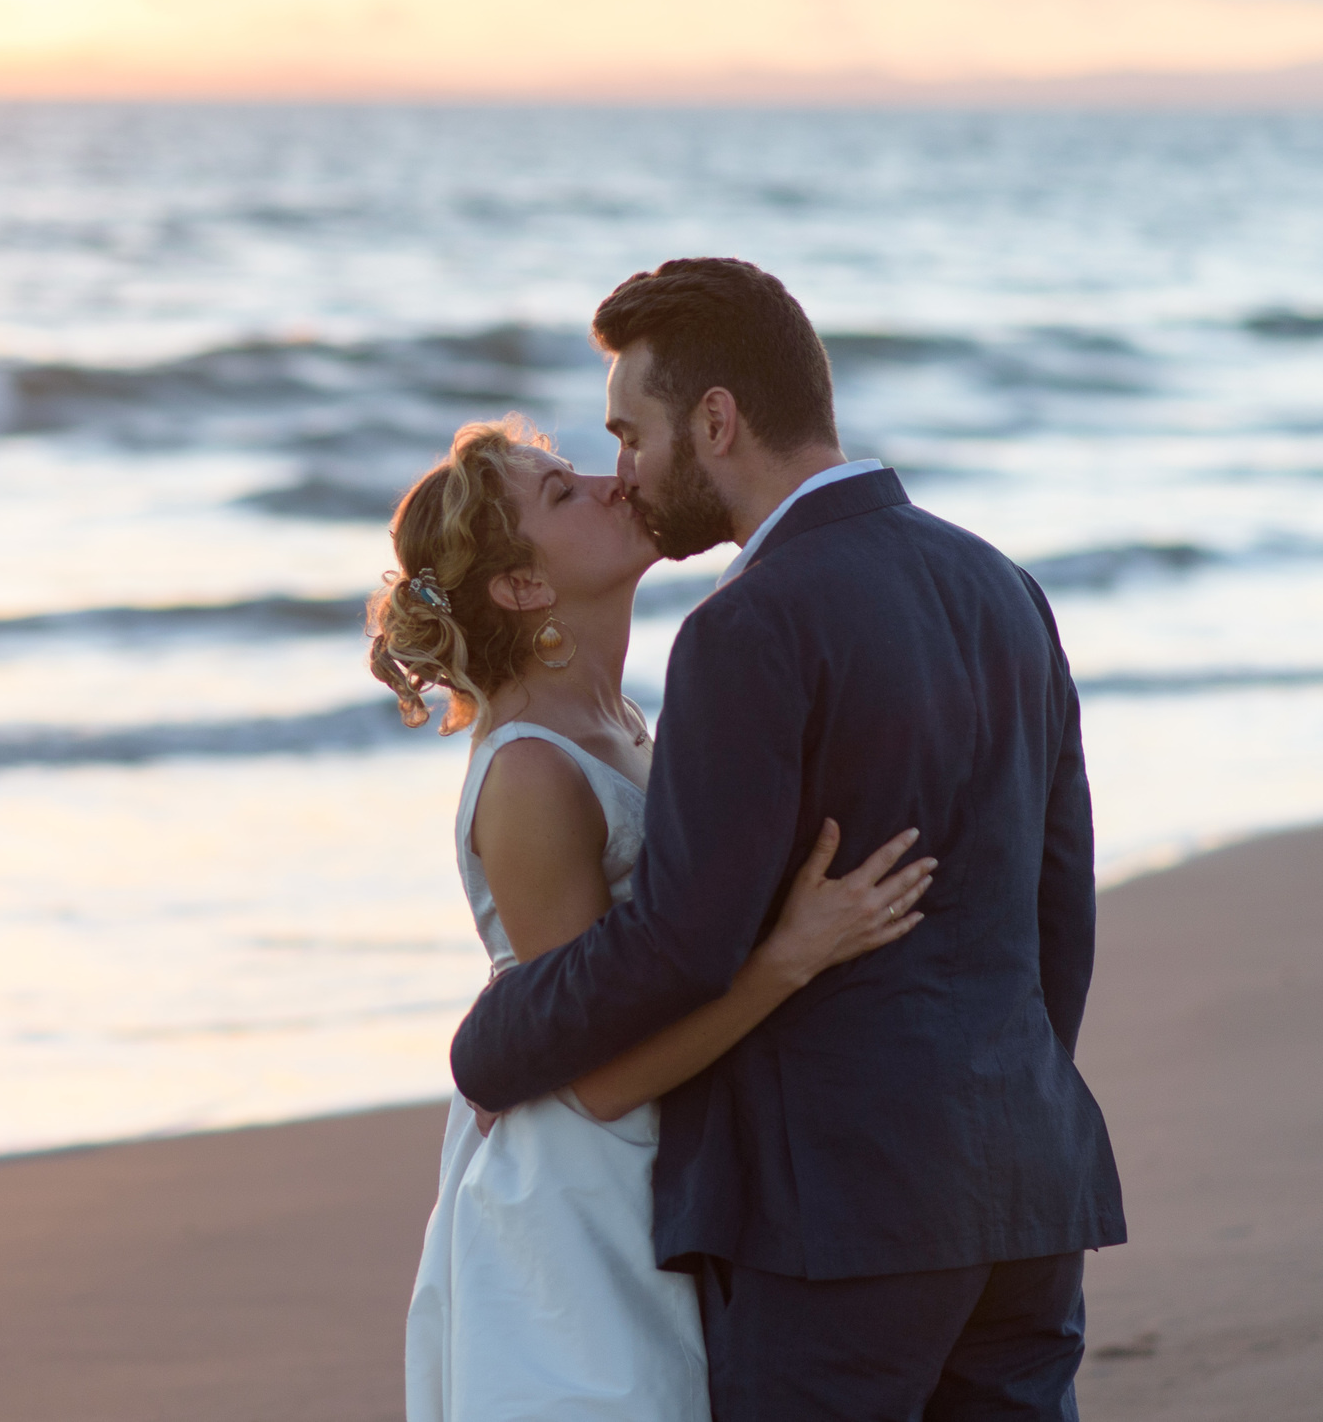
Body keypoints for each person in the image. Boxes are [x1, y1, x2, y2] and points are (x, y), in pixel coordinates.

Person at [450, 258, 1126, 1422]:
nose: (624, 471)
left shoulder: (744, 627)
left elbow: (684, 940)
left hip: (837, 1214)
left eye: (630, 433)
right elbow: (1057, 905)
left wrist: (496, 1039)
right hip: (1024, 1185)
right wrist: (997, 1097)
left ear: (714, 420)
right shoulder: (999, 583)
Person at [373, 414, 937, 1421]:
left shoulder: (623, 720)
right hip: (578, 1194)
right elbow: (591, 1074)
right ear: (521, 586)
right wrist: (791, 955)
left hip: (665, 1156)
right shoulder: (532, 770)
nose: (607, 480)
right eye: (559, 492)